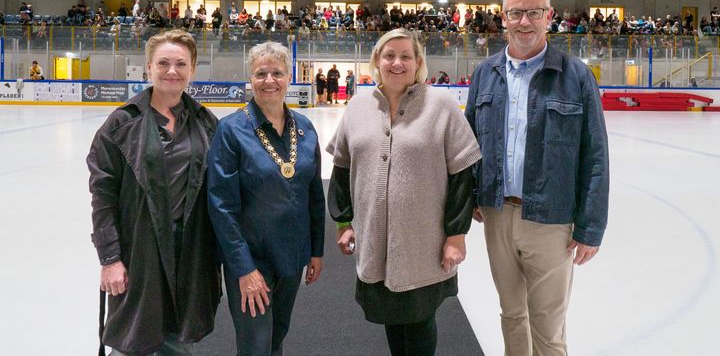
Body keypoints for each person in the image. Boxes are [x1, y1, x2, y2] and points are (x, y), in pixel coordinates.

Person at [465, 0, 609, 356]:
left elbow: (595, 155)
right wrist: (473, 196)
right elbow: (468, 145)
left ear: (549, 17)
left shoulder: (575, 75)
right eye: (516, 13)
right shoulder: (485, 74)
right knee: (512, 314)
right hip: (497, 214)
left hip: (551, 218)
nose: (524, 22)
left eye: (533, 13)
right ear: (503, 18)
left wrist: (591, 226)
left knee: (547, 324)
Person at [326, 28, 481, 356]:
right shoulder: (357, 106)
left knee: (420, 319)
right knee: (391, 317)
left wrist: (456, 236)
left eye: (405, 56)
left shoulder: (441, 107)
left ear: (418, 62)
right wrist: (343, 222)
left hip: (423, 243)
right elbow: (341, 169)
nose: (397, 62)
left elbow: (462, 177)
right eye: (389, 55)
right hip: (375, 239)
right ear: (377, 61)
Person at [87, 30, 222, 355]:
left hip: (188, 254)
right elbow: (102, 196)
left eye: (180, 64)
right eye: (163, 63)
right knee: (134, 336)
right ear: (149, 67)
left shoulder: (206, 123)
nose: (172, 71)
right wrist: (111, 259)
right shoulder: (121, 124)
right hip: (139, 253)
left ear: (192, 69)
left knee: (178, 335)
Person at [207, 42, 325, 356]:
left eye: (277, 73)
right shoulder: (232, 130)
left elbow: (314, 195)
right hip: (251, 258)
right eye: (261, 73)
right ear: (251, 78)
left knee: (276, 338)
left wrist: (316, 250)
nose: (269, 80)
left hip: (291, 253)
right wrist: (244, 269)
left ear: (290, 77)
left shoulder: (306, 129)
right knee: (255, 345)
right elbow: (221, 205)